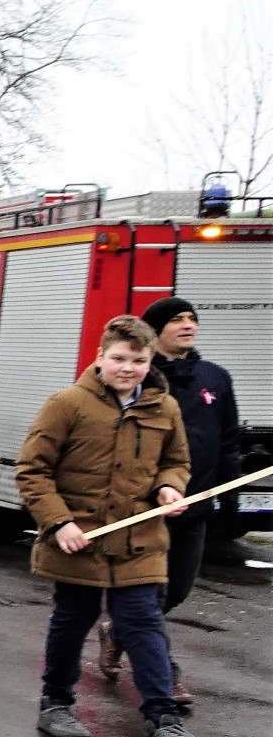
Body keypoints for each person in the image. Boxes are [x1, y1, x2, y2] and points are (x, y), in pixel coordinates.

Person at [15, 315, 202, 737]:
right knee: (73, 620)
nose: (127, 368)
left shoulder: (165, 408)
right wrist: (59, 522)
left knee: (143, 623)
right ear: (99, 357)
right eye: (118, 358)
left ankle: (163, 719)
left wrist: (170, 486)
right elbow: (32, 471)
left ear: (150, 359)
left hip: (140, 542)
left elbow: (176, 462)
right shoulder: (67, 404)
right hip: (80, 539)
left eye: (138, 360)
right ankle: (56, 702)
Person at [97, 297, 240, 702]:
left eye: (192, 318)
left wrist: (231, 499)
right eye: (177, 319)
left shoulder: (215, 377)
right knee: (149, 594)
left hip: (195, 503)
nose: (188, 325)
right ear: (155, 331)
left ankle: (116, 630)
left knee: (176, 590)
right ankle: (165, 675)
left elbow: (228, 439)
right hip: (145, 508)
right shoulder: (138, 378)